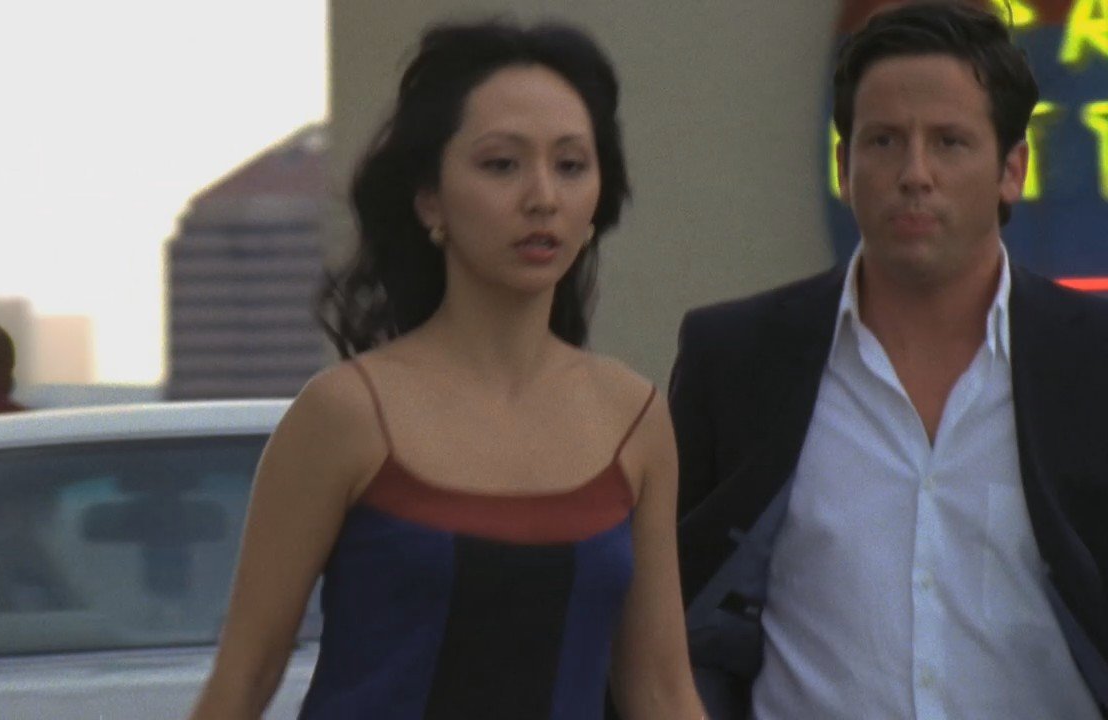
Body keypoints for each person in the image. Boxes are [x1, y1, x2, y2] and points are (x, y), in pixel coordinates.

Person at [191, 19, 707, 720]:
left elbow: (661, 691)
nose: (542, 197)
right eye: (501, 165)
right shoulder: (346, 414)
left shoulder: (632, 417)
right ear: (429, 198)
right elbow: (244, 680)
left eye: (570, 165)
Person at [667, 2, 1108, 719]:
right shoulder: (737, 360)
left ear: (1012, 169)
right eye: (883, 141)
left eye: (950, 142)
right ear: (844, 167)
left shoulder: (1091, 361)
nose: (915, 173)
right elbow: (671, 621)